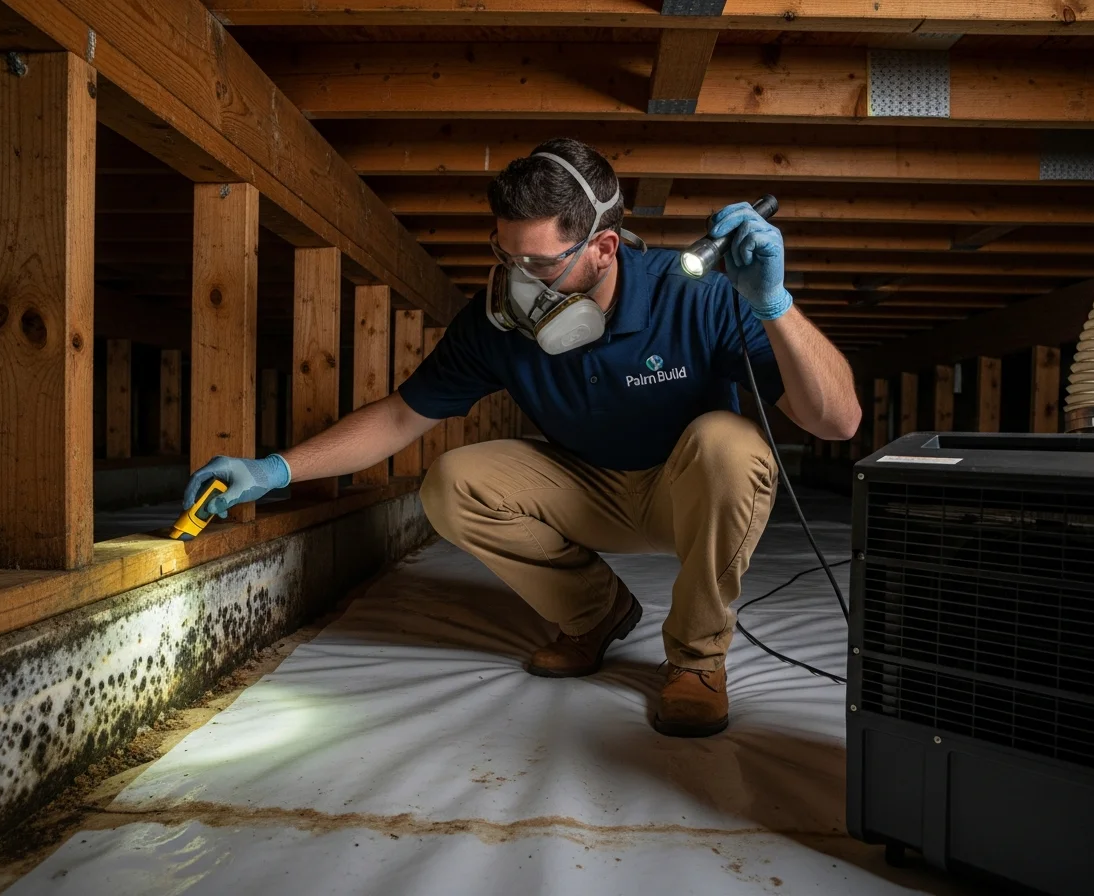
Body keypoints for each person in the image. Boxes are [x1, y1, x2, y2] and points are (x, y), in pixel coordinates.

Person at [182, 138, 860, 738]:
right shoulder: (497, 322)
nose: (518, 282)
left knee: (731, 444)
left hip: (688, 491)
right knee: (452, 482)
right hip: (587, 488)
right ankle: (595, 614)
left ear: (603, 247)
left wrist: (774, 305)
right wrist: (273, 469)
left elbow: (840, 423)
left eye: (539, 265)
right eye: (505, 256)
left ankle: (697, 661)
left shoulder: (696, 294)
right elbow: (398, 417)